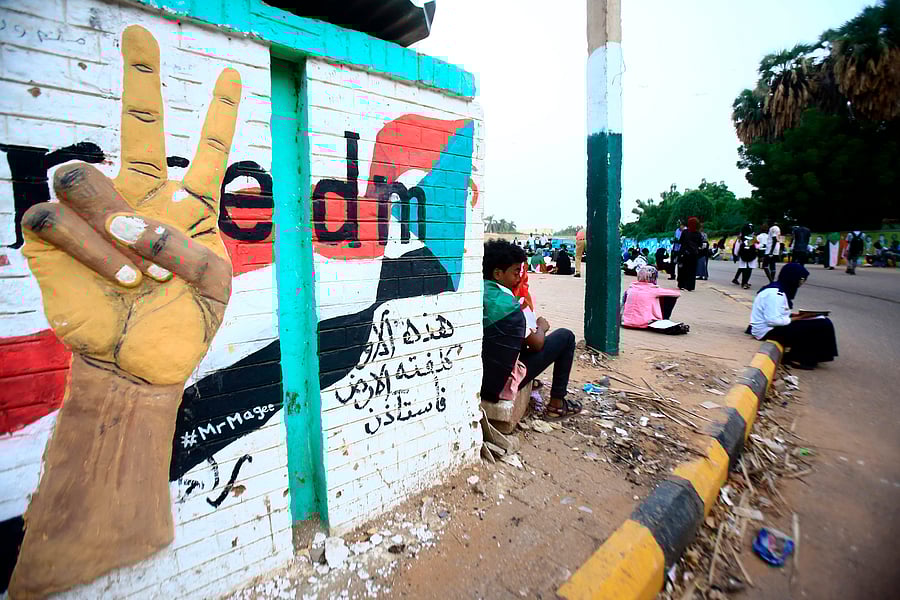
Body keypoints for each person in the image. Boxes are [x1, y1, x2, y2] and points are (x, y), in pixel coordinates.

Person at [481, 240, 581, 419]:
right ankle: (557, 405)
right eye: (515, 272)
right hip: (497, 386)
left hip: (478, 379)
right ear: (498, 273)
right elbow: (536, 344)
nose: (519, 277)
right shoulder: (508, 305)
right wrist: (542, 327)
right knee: (566, 337)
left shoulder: (474, 292)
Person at [749, 263, 838, 369]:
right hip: (766, 331)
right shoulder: (776, 294)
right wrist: (798, 318)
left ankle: (818, 356)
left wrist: (799, 316)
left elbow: (778, 313)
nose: (801, 283)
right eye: (800, 280)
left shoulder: (780, 290)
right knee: (817, 326)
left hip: (773, 327)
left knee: (823, 321)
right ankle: (798, 357)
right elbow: (773, 320)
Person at [622, 266, 689, 334]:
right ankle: (664, 318)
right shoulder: (653, 290)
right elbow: (677, 294)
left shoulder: (631, 288)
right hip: (643, 322)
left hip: (626, 321)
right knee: (670, 297)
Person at [677, 217, 702, 291]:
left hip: (685, 254)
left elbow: (681, 241)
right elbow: (700, 244)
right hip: (694, 254)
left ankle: (682, 284)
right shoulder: (698, 234)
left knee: (683, 269)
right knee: (692, 270)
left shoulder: (685, 232)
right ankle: (690, 286)